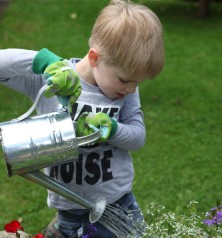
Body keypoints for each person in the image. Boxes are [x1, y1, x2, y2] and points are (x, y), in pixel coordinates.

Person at [0, 0, 164, 237]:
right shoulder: (54, 81)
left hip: (119, 205)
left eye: (137, 82)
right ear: (95, 58)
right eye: (125, 80)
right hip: (71, 213)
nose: (131, 88)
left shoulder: (126, 91)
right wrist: (45, 61)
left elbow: (138, 138)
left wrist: (114, 128)